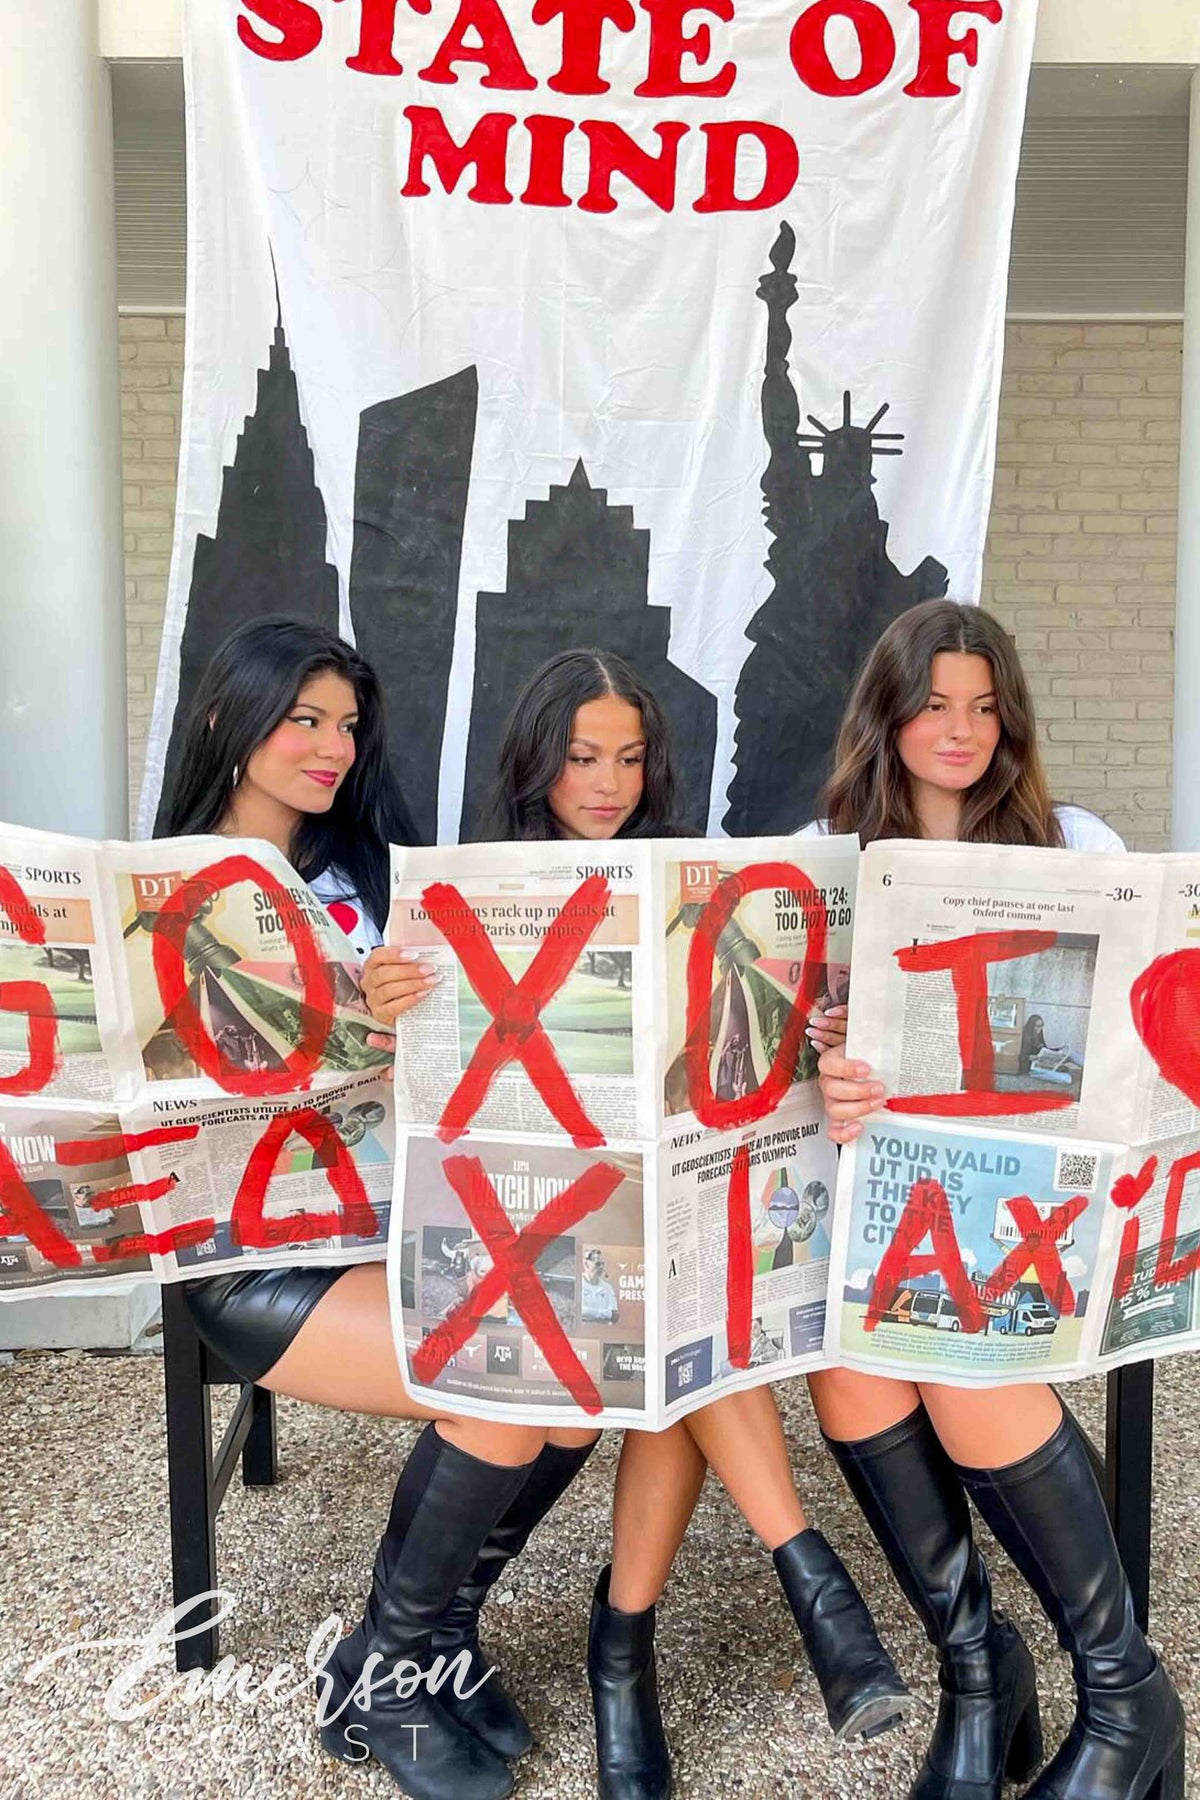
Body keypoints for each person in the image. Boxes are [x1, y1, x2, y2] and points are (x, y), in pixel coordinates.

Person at [365, 647, 910, 1800]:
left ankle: (630, 1653)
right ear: (536, 761)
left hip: (656, 1208)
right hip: (519, 1220)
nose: (607, 784)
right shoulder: (467, 888)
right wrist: (388, 1003)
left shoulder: (681, 884)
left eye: (628, 758)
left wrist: (814, 1028)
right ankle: (780, 1595)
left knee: (681, 1318)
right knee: (676, 1314)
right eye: (581, 758)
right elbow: (410, 1089)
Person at [159, 618, 598, 1800]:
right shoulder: (167, 888)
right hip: (252, 1255)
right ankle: (392, 1677)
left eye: (346, 725)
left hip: (392, 1219)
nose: (331, 746)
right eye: (303, 719)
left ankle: (423, 1641)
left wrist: (410, 1019)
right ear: (228, 719)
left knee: (581, 1383)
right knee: (508, 1380)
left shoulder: (369, 875)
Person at [803, 599, 1184, 1800]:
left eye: (984, 707)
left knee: (953, 1354)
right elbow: (776, 1073)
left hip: (1044, 1209)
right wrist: (828, 1064)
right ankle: (980, 1673)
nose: (960, 731)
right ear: (888, 717)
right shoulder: (823, 853)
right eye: (933, 706)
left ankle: (1124, 1695)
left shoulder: (1077, 842)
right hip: (894, 1198)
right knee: (849, 1367)